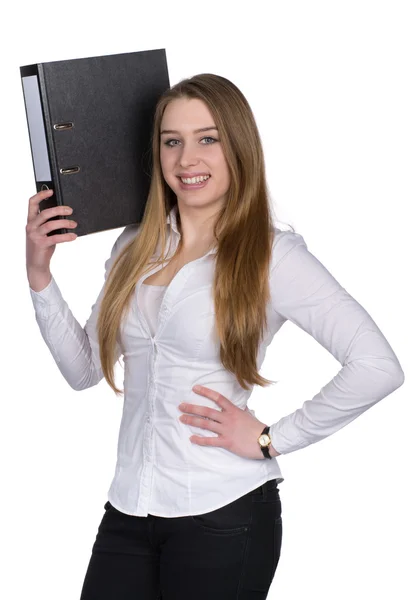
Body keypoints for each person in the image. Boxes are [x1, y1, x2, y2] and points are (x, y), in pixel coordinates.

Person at [25, 73, 405, 600]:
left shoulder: (275, 256)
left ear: (238, 146)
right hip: (130, 509)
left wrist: (273, 438)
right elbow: (84, 370)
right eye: (171, 141)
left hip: (224, 514)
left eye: (208, 139)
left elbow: (377, 366)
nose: (187, 160)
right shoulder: (134, 245)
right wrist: (40, 275)